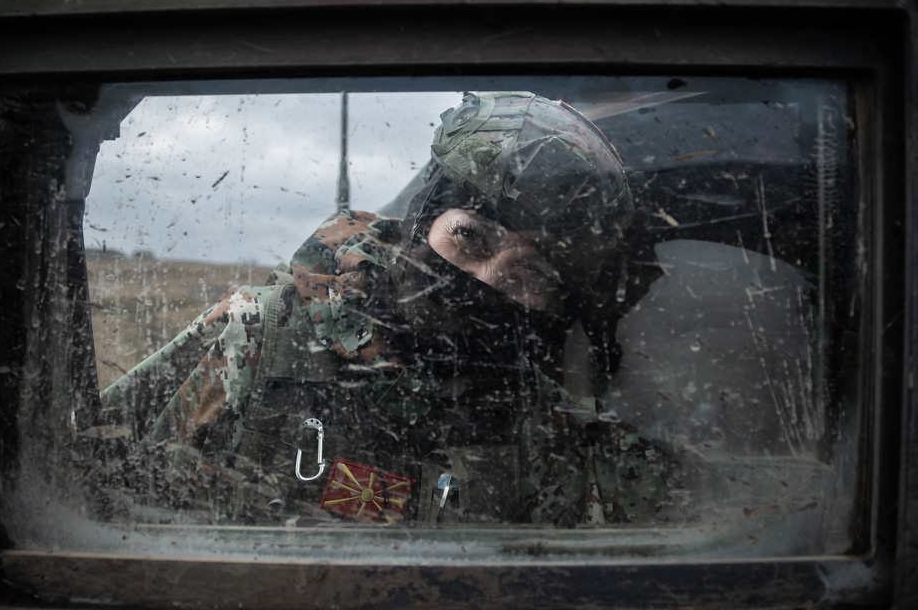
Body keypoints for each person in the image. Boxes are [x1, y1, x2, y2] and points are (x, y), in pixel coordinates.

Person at [99, 91, 681, 526]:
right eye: (470, 239)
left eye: (526, 276)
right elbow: (105, 486)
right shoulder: (257, 334)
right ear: (424, 221)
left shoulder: (551, 429)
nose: (482, 282)